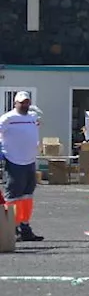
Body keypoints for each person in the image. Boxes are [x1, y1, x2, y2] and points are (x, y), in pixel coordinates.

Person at [0, 91, 43, 241]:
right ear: (15, 103)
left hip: (29, 161)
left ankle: (25, 227)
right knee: (12, 197)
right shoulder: (7, 118)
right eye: (22, 102)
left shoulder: (32, 118)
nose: (24, 105)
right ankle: (11, 227)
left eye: (27, 102)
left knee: (27, 197)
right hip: (14, 161)